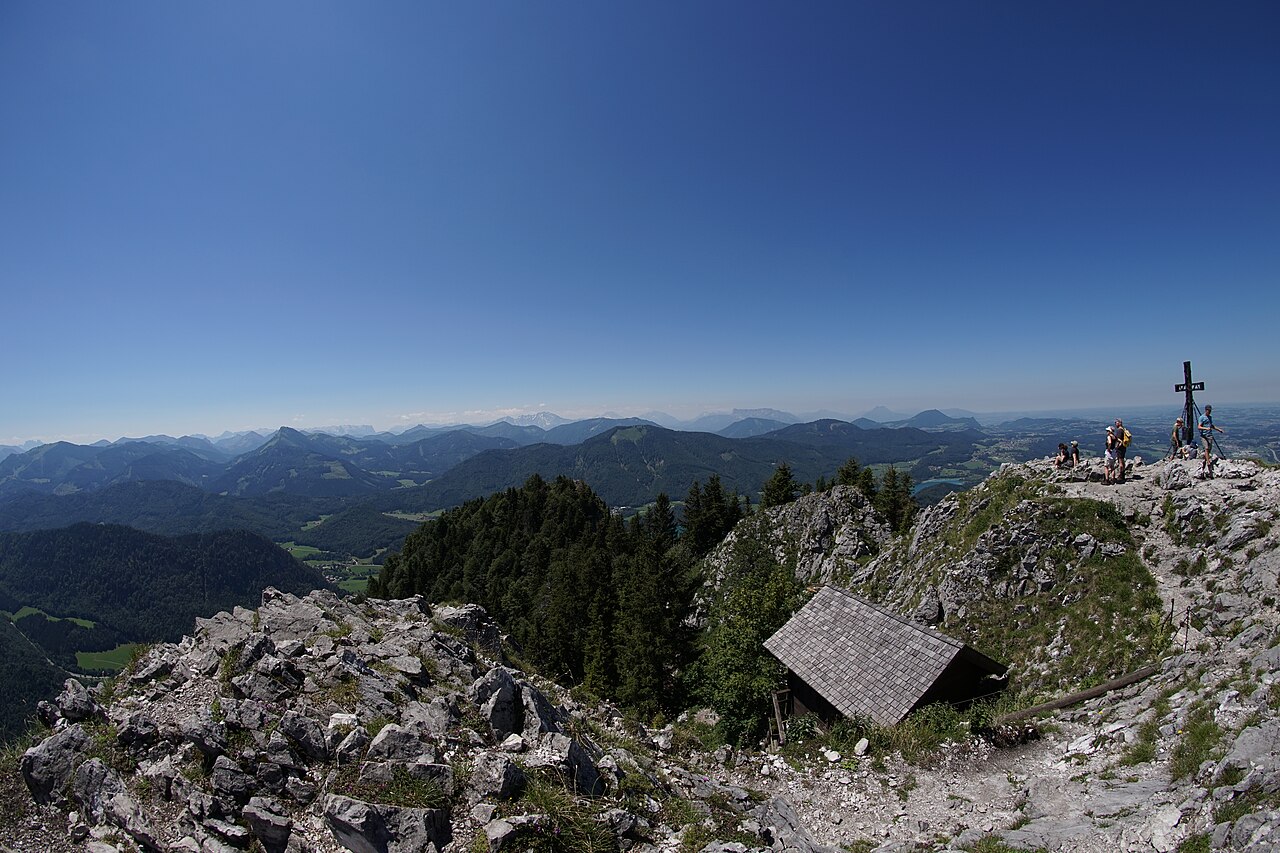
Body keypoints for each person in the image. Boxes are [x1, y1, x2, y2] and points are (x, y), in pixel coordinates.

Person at [1198, 405, 1224, 478]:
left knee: (1209, 449)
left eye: (1210, 410)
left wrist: (1218, 429)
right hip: (1203, 435)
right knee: (1206, 448)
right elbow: (1199, 426)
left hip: (1209, 435)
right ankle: (1208, 462)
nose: (1209, 411)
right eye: (1208, 410)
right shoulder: (1202, 417)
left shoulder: (1210, 417)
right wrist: (1206, 428)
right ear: (1206, 410)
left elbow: (1211, 426)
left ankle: (1206, 459)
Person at [1113, 418, 1130, 483]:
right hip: (1124, 447)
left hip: (1120, 448)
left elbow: (1118, 440)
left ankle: (1121, 475)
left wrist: (1116, 447)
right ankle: (1123, 474)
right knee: (1122, 460)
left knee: (1120, 461)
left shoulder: (1119, 430)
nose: (1115, 424)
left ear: (1119, 423)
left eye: (1116, 422)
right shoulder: (1123, 429)